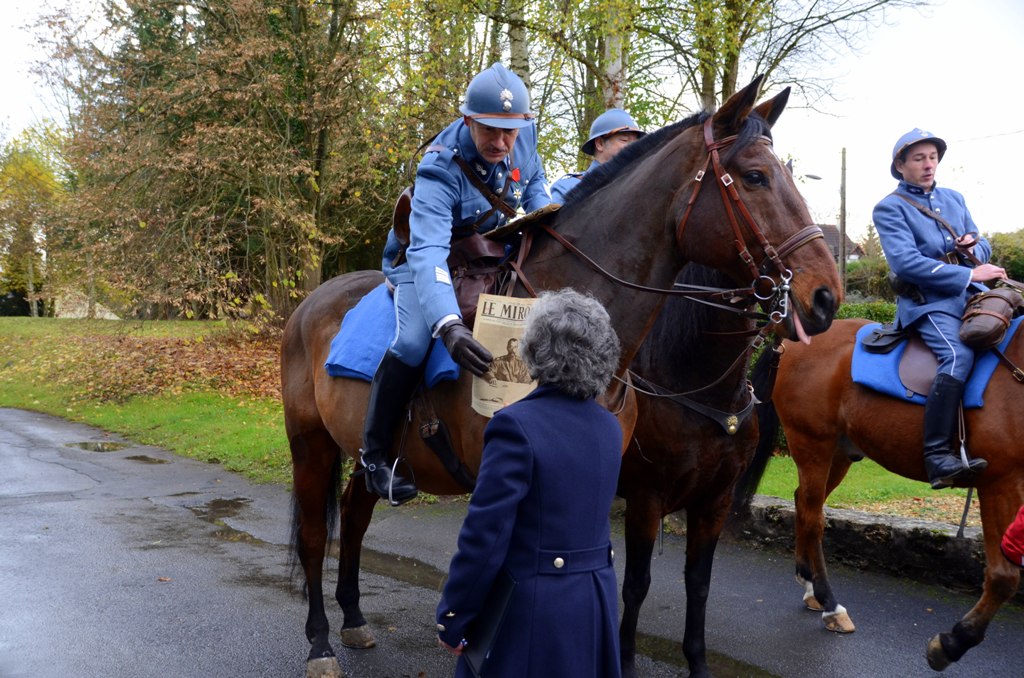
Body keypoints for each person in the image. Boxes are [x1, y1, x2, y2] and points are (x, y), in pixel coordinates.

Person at [361, 63, 552, 506]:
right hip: (426, 259)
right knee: (411, 341)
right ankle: (374, 456)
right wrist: (448, 325)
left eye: (510, 132)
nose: (501, 143)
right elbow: (427, 251)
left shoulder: (523, 137)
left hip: (485, 251)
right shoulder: (438, 168)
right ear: (468, 120)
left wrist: (543, 218)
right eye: (489, 130)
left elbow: (536, 182)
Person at [435, 289, 623, 678]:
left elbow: (484, 537)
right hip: (595, 604)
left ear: (535, 349)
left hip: (531, 613)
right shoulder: (609, 426)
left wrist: (454, 617)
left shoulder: (514, 426)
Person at [873, 128, 1006, 490]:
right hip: (928, 303)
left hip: (973, 297)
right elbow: (905, 263)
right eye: (918, 158)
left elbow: (983, 245)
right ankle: (937, 456)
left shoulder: (954, 198)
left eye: (932, 157)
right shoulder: (890, 208)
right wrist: (967, 275)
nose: (928, 164)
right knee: (957, 356)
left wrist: (974, 248)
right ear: (900, 166)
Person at [550, 108, 645, 203]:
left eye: (636, 141)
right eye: (624, 140)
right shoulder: (567, 188)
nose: (633, 146)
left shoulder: (642, 184)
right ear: (600, 144)